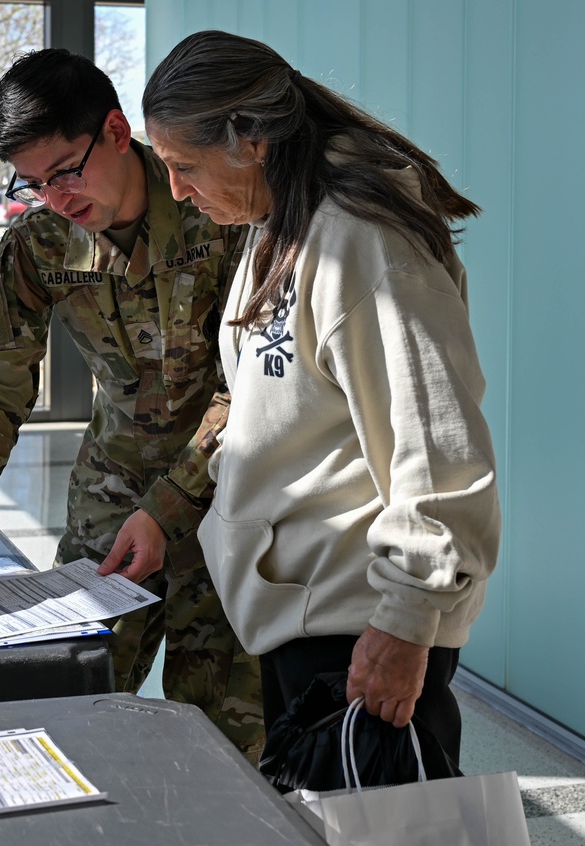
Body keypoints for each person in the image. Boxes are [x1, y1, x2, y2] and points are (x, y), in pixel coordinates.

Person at [141, 31, 501, 766]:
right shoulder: (282, 219)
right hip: (304, 615)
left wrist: (406, 620)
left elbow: (438, 446)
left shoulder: (359, 238)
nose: (176, 189)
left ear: (252, 142)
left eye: (184, 166)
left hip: (363, 624)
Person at [0, 48, 265, 760]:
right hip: (109, 506)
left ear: (116, 131)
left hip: (229, 505)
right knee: (73, 718)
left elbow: (251, 385)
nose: (56, 197)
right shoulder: (38, 244)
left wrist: (169, 507)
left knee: (230, 744)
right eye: (34, 183)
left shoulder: (216, 215)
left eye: (66, 170)